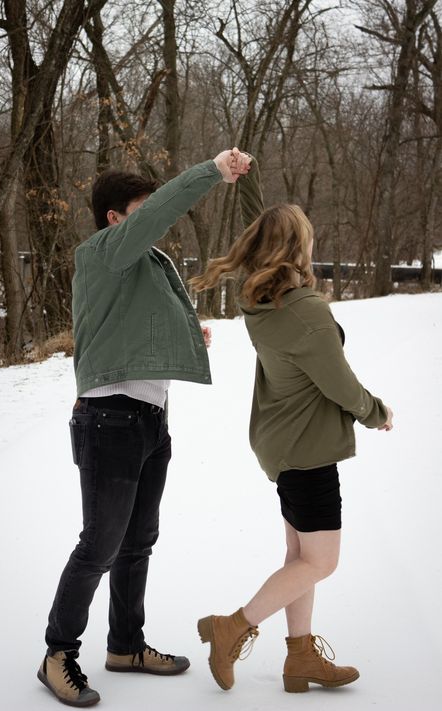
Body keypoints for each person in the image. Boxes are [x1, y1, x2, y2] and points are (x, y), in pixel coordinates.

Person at [37, 149, 250, 707]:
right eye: (142, 208)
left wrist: (185, 336)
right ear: (115, 218)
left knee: (138, 543)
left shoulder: (138, 264)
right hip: (109, 420)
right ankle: (58, 653)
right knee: (100, 546)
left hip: (149, 420)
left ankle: (125, 646)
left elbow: (133, 326)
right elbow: (159, 214)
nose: (153, 217)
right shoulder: (103, 253)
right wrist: (212, 171)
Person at [191, 155, 393, 694]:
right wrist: (377, 413)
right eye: (303, 238)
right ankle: (232, 627)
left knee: (299, 557)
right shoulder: (306, 311)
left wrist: (250, 184)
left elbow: (259, 233)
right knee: (321, 562)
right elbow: (341, 386)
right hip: (305, 450)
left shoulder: (260, 297)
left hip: (281, 441)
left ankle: (301, 658)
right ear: (294, 249)